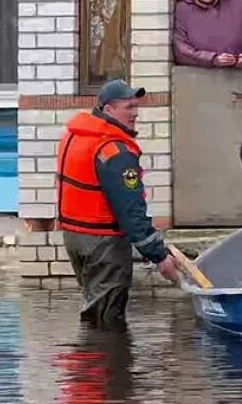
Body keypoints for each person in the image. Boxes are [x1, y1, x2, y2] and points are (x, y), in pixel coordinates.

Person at [54, 79, 181, 328]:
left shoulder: (75, 134)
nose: (135, 113)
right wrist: (159, 256)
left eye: (136, 107)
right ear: (108, 109)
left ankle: (89, 362)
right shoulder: (114, 150)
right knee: (107, 319)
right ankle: (106, 363)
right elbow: (130, 210)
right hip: (103, 243)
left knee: (95, 307)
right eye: (128, 107)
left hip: (75, 237)